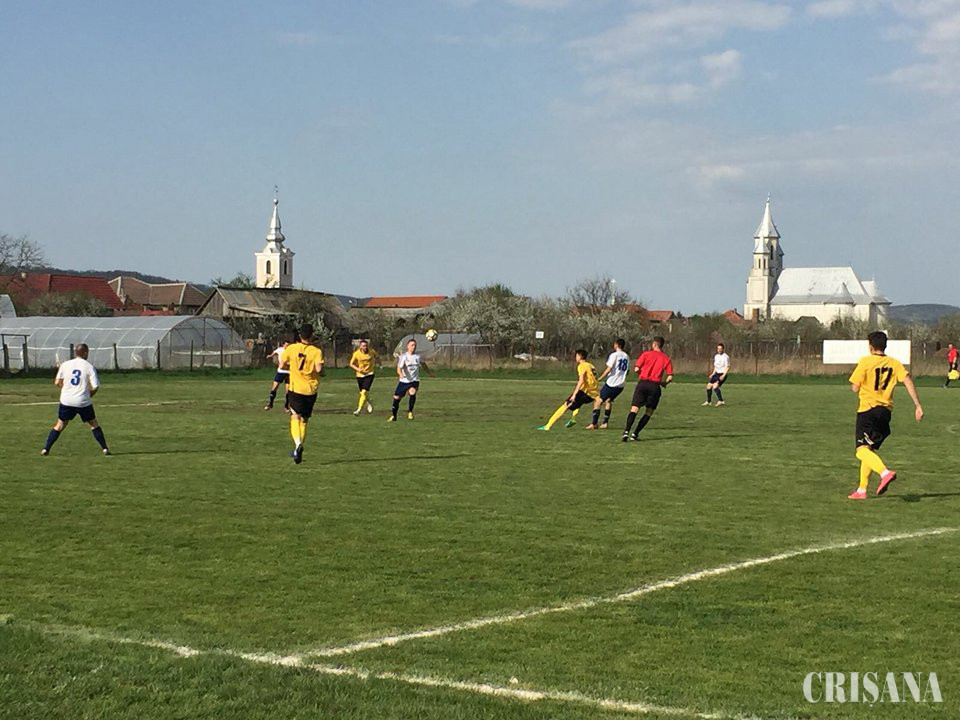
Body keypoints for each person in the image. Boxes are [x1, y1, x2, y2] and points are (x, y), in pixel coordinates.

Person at [847, 331, 923, 500]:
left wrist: (859, 384)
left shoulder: (866, 361)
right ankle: (862, 490)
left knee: (860, 451)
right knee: (869, 449)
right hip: (885, 412)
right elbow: (908, 380)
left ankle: (885, 473)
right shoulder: (894, 363)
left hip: (868, 411)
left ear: (870, 346)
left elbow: (855, 387)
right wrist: (917, 406)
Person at [41, 343, 110, 456]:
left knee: (60, 424)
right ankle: (105, 448)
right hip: (83, 401)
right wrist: (89, 395)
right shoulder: (89, 366)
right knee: (93, 424)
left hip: (67, 400)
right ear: (86, 353)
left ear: (75, 353)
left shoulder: (65, 364)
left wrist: (68, 390)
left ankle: (46, 449)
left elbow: (57, 382)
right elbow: (95, 386)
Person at [282, 324, 325, 464]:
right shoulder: (316, 351)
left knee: (295, 416)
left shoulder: (291, 348)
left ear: (300, 335)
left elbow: (282, 364)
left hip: (296, 388)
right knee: (305, 419)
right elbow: (319, 369)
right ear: (312, 335)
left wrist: (291, 367)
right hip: (311, 389)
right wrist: (322, 372)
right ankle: (297, 448)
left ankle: (298, 444)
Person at [622, 336, 673, 442]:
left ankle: (626, 431)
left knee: (634, 409)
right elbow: (670, 376)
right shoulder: (666, 358)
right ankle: (635, 434)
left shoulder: (646, 354)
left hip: (642, 384)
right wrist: (664, 383)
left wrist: (643, 375)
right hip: (654, 386)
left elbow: (636, 369)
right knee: (649, 412)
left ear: (654, 344)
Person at [538, 349, 599, 431]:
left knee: (565, 405)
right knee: (577, 404)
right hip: (593, 393)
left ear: (579, 356)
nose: (575, 357)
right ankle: (573, 419)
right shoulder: (591, 365)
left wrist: (574, 394)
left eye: (576, 356)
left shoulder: (582, 366)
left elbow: (581, 381)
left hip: (585, 392)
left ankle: (548, 426)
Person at [588, 339, 630, 429]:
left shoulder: (614, 355)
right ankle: (605, 423)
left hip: (612, 383)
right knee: (608, 400)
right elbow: (627, 371)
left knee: (598, 401)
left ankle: (594, 423)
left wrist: (600, 378)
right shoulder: (626, 356)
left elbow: (609, 369)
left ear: (616, 345)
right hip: (621, 385)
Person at [390, 338, 433, 422]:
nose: (414, 347)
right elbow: (399, 368)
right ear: (408, 346)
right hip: (404, 381)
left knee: (412, 392)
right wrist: (400, 374)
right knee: (396, 398)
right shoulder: (404, 357)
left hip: (414, 381)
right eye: (412, 345)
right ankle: (394, 416)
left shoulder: (418, 357)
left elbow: (423, 364)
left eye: (415, 345)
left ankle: (410, 412)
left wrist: (429, 373)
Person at [349, 339, 377, 416]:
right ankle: (368, 402)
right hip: (360, 375)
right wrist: (358, 369)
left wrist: (380, 365)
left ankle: (358, 410)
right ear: (360, 347)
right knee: (362, 393)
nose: (365, 347)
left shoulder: (371, 352)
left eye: (366, 345)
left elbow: (377, 357)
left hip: (369, 374)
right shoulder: (356, 354)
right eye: (363, 346)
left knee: (364, 391)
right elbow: (351, 364)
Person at [264, 341, 290, 411]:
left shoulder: (291, 351)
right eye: (286, 345)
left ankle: (286, 406)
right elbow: (274, 352)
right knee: (274, 388)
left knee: (288, 391)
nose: (287, 347)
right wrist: (270, 355)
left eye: (289, 345)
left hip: (289, 373)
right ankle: (270, 404)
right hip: (281, 372)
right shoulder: (280, 349)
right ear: (283, 345)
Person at [703, 342, 730, 406]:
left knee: (715, 386)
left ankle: (721, 401)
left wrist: (724, 375)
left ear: (723, 349)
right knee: (708, 386)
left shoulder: (726, 357)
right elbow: (716, 367)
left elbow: (728, 367)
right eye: (718, 348)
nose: (719, 350)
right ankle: (709, 402)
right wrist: (712, 374)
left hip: (722, 374)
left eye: (720, 349)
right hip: (716, 374)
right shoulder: (716, 356)